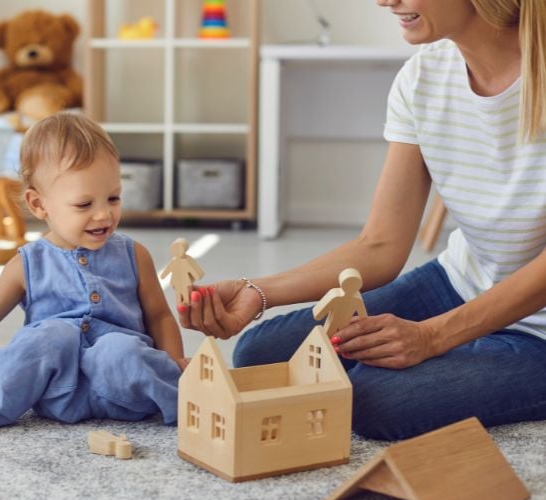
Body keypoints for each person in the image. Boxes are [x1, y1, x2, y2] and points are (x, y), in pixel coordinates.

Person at [179, 0, 546, 441]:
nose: (385, 0)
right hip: (460, 283)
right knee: (264, 355)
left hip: (539, 329)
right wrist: (258, 293)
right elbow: (380, 245)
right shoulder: (422, 77)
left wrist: (433, 338)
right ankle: (472, 351)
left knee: (374, 400)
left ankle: (482, 356)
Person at [0, 113, 187, 437]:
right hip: (58, 394)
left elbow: (159, 316)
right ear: (39, 204)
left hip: (125, 388)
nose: (104, 213)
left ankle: (187, 401)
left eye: (113, 198)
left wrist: (173, 362)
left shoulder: (134, 254)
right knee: (48, 336)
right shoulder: (27, 264)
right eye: (83, 204)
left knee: (118, 348)